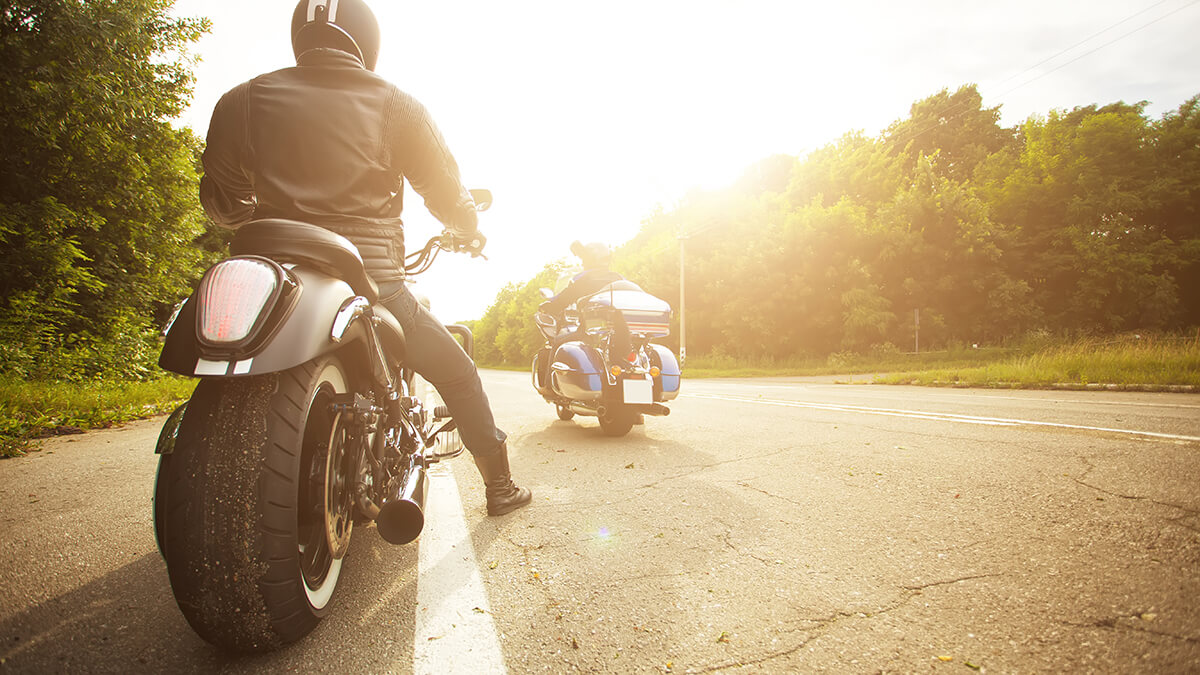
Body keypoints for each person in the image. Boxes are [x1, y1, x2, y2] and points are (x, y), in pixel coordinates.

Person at [198, 0, 530, 516]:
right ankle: (500, 487)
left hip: (271, 273)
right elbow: (444, 191)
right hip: (372, 280)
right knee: (459, 371)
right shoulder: (397, 104)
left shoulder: (241, 99)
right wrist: (467, 226)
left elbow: (222, 200)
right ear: (365, 39)